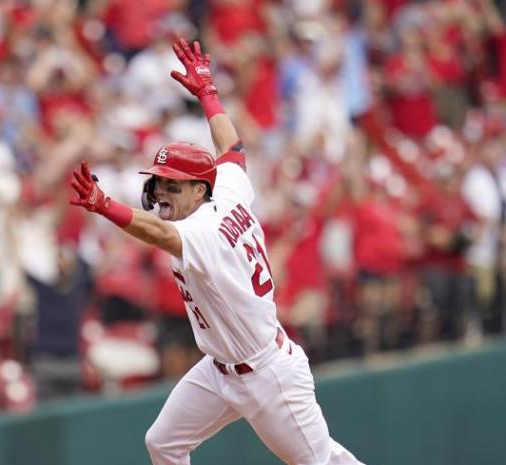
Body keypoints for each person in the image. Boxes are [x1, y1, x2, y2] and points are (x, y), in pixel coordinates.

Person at [69, 39, 364, 465]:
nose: (162, 190)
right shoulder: (227, 191)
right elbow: (234, 149)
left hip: (266, 374)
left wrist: (104, 205)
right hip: (219, 367)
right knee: (163, 442)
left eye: (172, 184)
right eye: (160, 181)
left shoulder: (203, 229)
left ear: (197, 189)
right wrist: (208, 94)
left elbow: (158, 234)